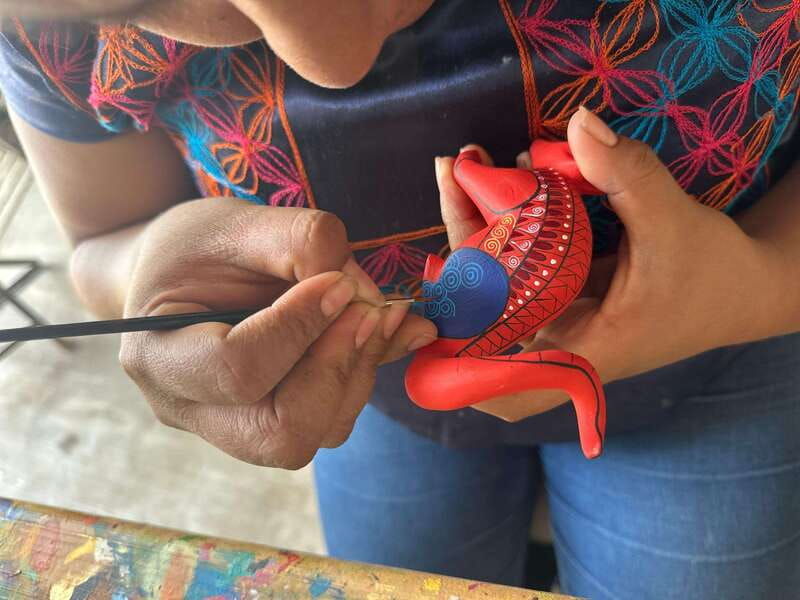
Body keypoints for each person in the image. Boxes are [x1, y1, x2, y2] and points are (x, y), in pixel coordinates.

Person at [1, 1, 799, 598]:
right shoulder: (47, 36)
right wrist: (150, 271)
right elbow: (106, 236)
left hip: (724, 367)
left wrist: (762, 278)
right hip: (379, 398)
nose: (337, 56)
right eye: (139, 3)